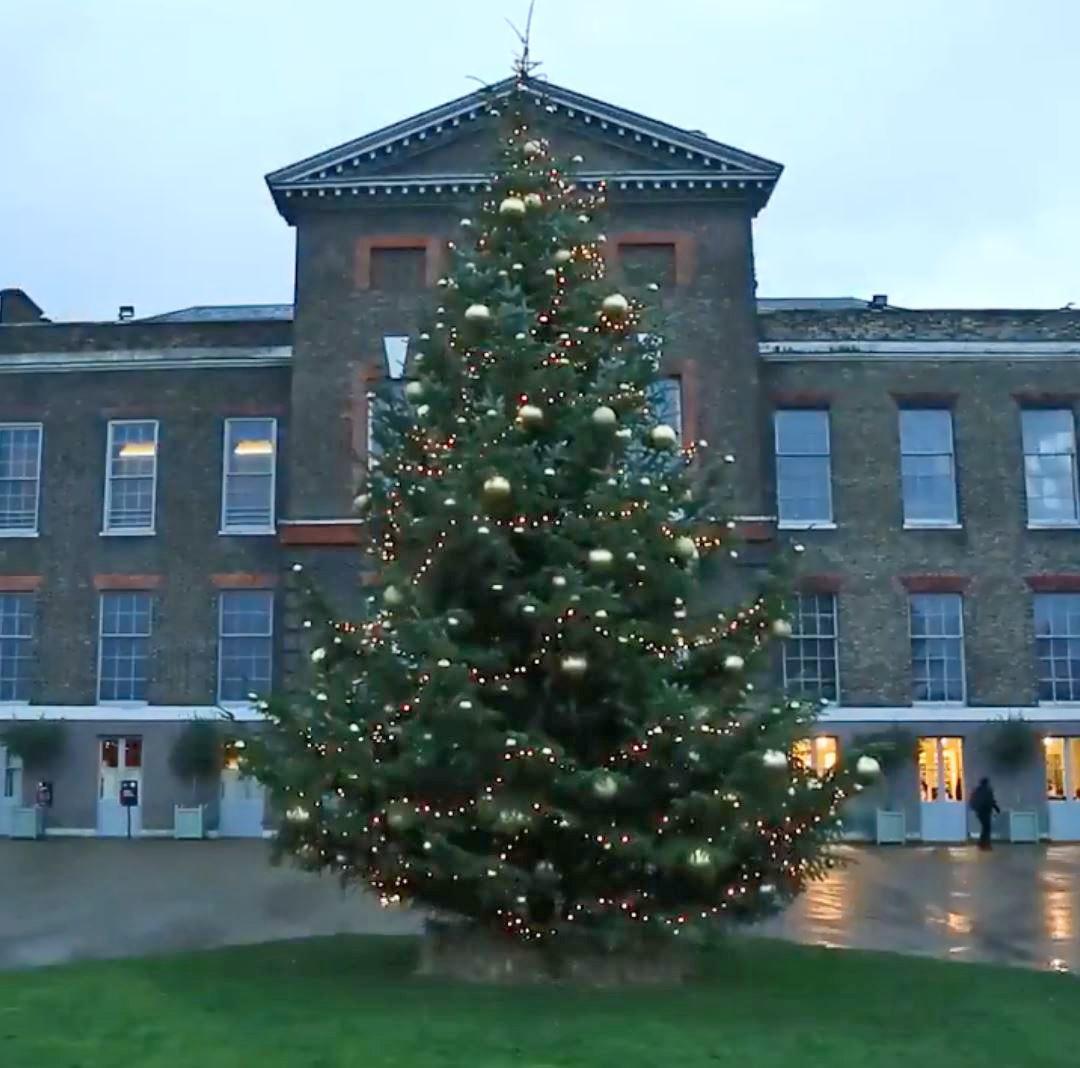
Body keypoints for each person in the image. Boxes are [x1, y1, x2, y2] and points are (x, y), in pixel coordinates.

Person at [969, 777, 1000, 850]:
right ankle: (986, 845)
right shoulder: (988, 790)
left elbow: (973, 800)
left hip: (979, 812)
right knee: (987, 828)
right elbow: (991, 801)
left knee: (985, 828)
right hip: (986, 811)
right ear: (986, 783)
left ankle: (981, 843)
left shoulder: (977, 790)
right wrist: (997, 808)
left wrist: (976, 809)